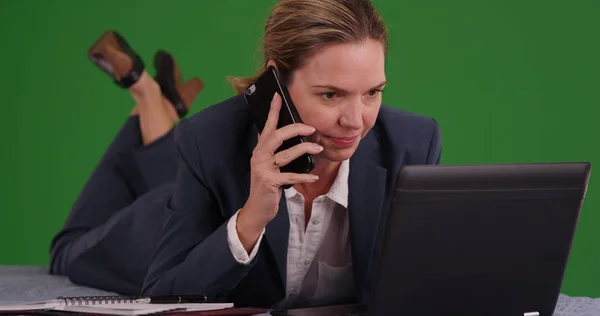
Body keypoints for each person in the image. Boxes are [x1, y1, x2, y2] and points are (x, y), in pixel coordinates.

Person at [140, 0, 442, 309]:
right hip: (129, 244)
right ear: (276, 82)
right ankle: (146, 93)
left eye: (372, 93)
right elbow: (163, 298)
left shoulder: (412, 145)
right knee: (93, 225)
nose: (355, 121)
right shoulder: (209, 142)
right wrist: (250, 220)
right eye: (331, 95)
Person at [48, 30, 203, 295]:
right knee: (166, 189)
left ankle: (153, 97)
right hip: (167, 224)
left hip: (161, 223)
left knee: (65, 250)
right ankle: (157, 101)